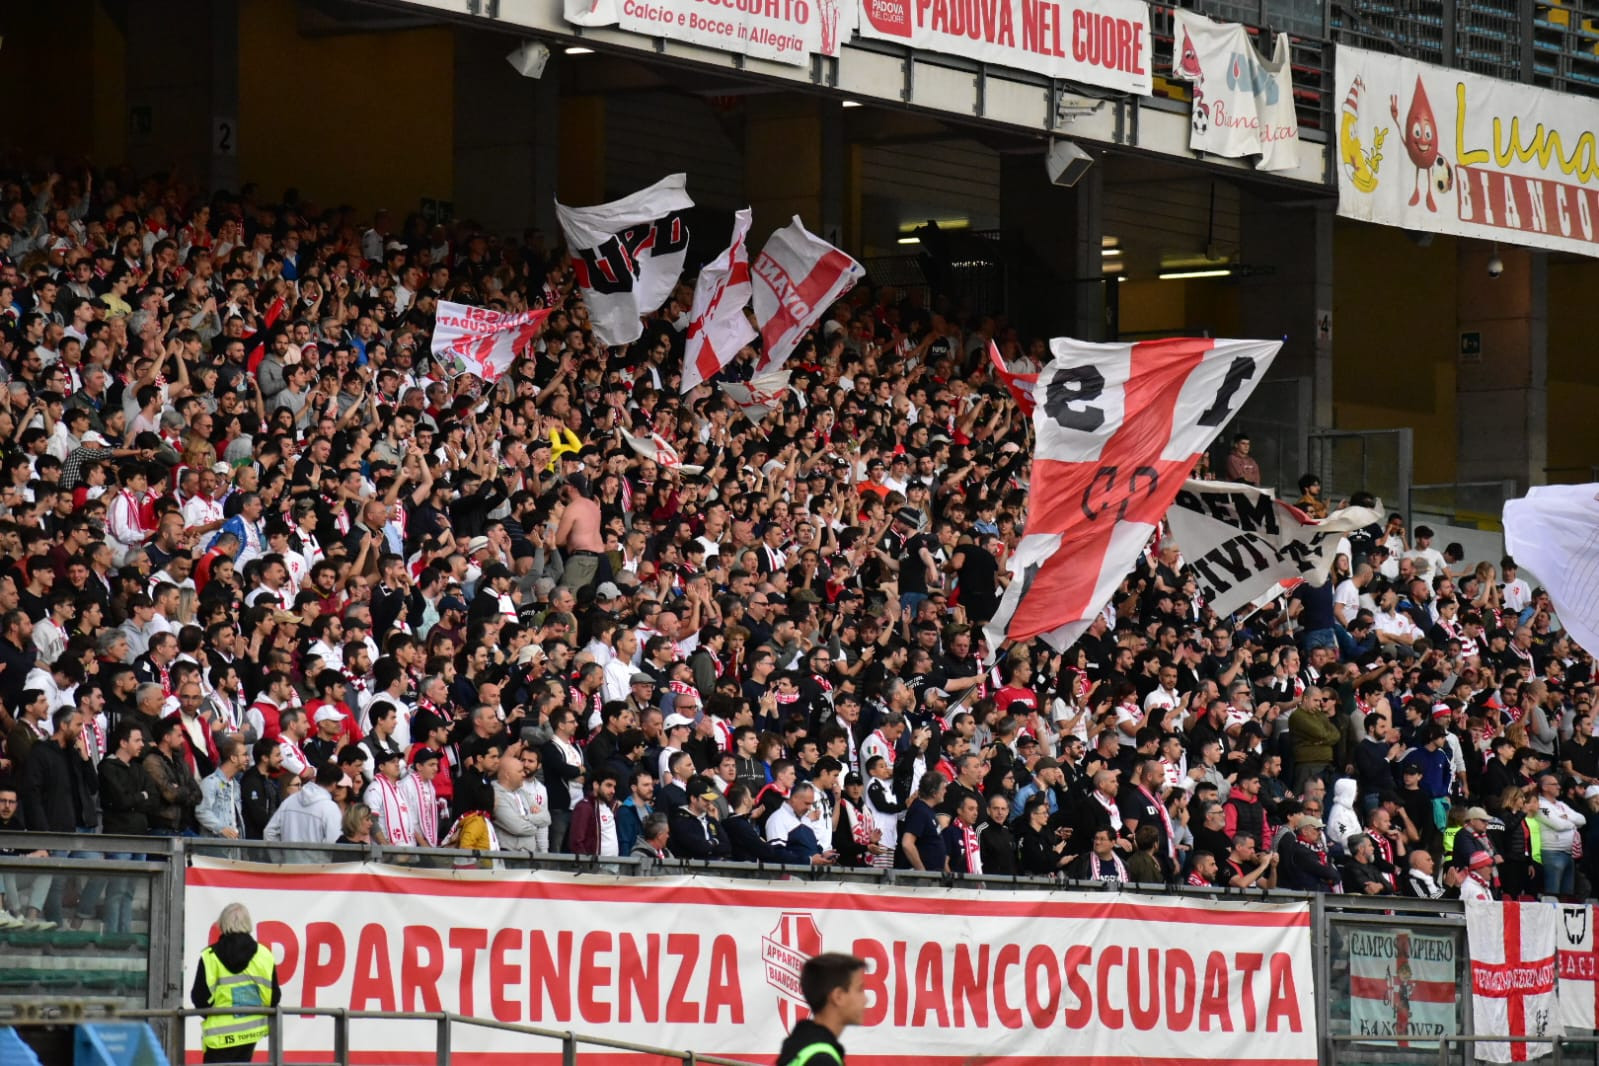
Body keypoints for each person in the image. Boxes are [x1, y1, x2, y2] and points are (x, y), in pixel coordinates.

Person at [192, 902, 280, 1063]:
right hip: (250, 1034)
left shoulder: (210, 956)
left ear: (222, 924)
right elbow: (274, 998)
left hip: (218, 1035)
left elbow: (199, 998)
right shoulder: (264, 955)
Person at [777, 953, 867, 1066]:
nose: (865, 1000)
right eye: (859, 989)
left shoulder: (802, 1047)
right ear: (838, 997)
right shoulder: (821, 1060)